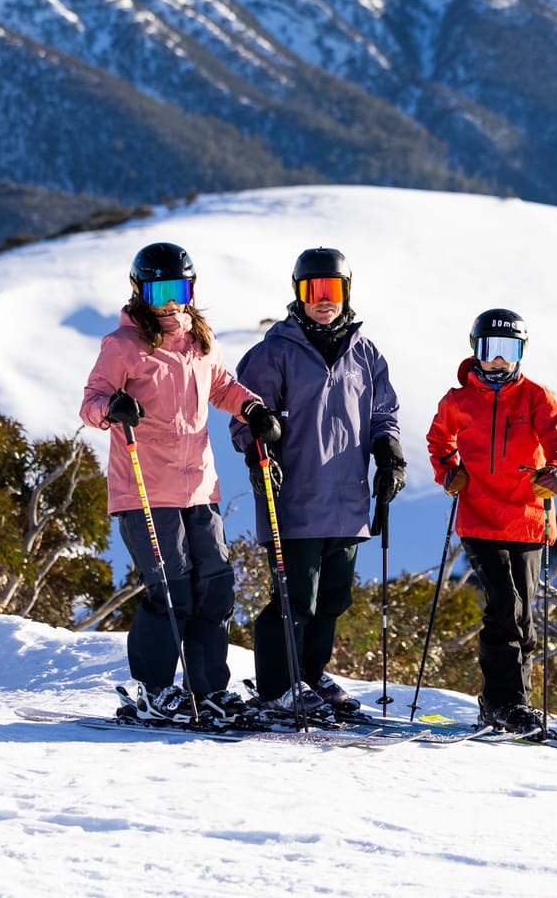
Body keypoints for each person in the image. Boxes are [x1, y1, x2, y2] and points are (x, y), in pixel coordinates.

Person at [79, 241, 283, 728]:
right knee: (171, 591)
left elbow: (220, 385)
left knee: (214, 589)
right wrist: (111, 409)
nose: (171, 300)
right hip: (145, 491)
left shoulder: (196, 342)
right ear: (139, 290)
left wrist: (252, 407)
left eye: (181, 288)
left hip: (200, 490)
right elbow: (91, 400)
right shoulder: (123, 345)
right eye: (160, 289)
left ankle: (209, 690)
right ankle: (153, 691)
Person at [229, 247, 405, 721]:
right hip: (294, 498)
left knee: (332, 600)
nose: (323, 300)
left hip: (347, 499)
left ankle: (310, 674)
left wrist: (388, 452)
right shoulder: (274, 352)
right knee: (294, 599)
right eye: (313, 290)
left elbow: (383, 412)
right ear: (298, 293)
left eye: (333, 289)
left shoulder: (365, 353)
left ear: (346, 292)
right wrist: (258, 445)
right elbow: (242, 418)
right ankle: (277, 687)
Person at [426, 307, 557, 735]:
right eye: (490, 349)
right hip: (478, 517)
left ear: (520, 353)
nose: (498, 360)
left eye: (508, 350)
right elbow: (439, 441)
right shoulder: (458, 400)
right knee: (504, 607)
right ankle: (503, 703)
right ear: (476, 350)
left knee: (524, 614)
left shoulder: (537, 398)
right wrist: (449, 473)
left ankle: (515, 705)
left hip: (529, 517)